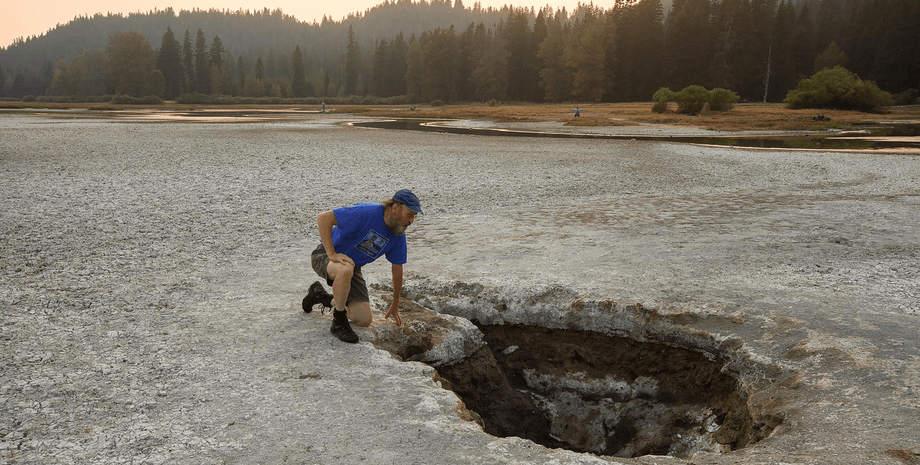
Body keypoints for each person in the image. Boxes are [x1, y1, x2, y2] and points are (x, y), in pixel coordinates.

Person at [302, 189, 422, 343]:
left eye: (414, 217)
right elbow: (324, 218)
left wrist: (395, 304)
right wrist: (331, 253)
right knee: (345, 269)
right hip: (324, 256)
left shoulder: (397, 235)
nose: (411, 221)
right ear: (395, 207)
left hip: (352, 267)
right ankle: (338, 323)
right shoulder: (367, 212)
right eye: (410, 215)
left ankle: (321, 296)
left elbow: (397, 270)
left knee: (364, 319)